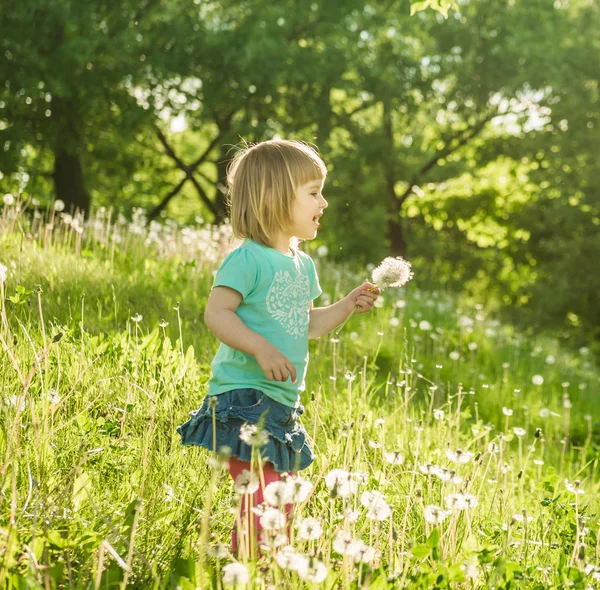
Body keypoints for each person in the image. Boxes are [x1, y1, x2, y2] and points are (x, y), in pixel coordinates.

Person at [176, 139, 380, 555]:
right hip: (243, 397)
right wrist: (261, 349)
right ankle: (251, 568)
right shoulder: (247, 259)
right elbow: (217, 314)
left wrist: (346, 305)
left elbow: (306, 324)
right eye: (313, 192)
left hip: (283, 404)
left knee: (281, 498)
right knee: (261, 499)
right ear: (275, 197)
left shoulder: (302, 264)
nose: (324, 201)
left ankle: (259, 568)